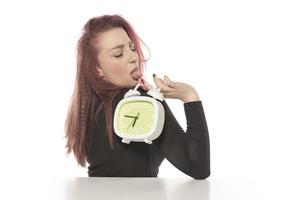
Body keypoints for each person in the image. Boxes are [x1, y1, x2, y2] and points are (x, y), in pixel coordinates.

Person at [65, 14, 210, 179]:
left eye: (132, 48)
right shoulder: (143, 104)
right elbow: (198, 168)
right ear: (97, 69)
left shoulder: (87, 109)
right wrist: (189, 95)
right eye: (119, 54)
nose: (134, 57)